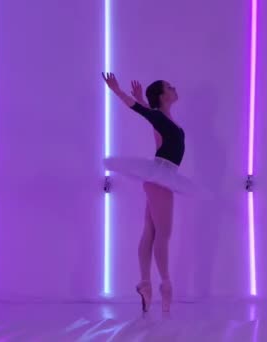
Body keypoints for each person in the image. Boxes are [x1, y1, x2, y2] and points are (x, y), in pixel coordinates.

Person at [102, 72, 190, 313]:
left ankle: (145, 284)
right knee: (164, 234)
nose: (174, 87)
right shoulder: (160, 118)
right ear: (163, 96)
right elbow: (140, 111)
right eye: (170, 86)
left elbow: (148, 113)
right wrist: (117, 91)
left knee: (151, 232)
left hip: (160, 178)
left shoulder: (164, 118)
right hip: (160, 179)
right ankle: (165, 285)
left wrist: (142, 100)